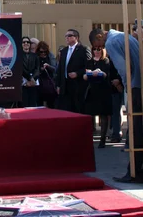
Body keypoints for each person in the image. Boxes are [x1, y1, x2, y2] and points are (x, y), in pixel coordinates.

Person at [90, 27, 142, 183]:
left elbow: (124, 67)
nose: (99, 48)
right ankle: (136, 169)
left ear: (100, 36)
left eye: (97, 44)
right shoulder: (123, 36)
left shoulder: (112, 42)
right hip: (139, 83)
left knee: (136, 130)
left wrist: (126, 85)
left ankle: (134, 171)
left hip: (135, 86)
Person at [83, 45, 112, 148]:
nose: (96, 51)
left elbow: (106, 74)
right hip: (92, 90)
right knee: (90, 114)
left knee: (103, 115)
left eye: (99, 49)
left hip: (103, 90)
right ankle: (89, 138)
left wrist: (100, 73)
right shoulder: (89, 61)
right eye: (94, 49)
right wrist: (88, 74)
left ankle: (102, 139)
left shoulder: (106, 61)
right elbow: (85, 75)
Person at [55, 29, 90, 113]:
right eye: (66, 36)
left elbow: (89, 66)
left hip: (78, 85)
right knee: (66, 109)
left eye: (70, 36)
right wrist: (58, 85)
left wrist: (77, 73)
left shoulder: (83, 49)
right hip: (65, 85)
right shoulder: (64, 51)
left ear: (76, 37)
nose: (67, 38)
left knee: (78, 108)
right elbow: (60, 69)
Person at [35, 41, 57, 108]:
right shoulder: (36, 57)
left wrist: (48, 66)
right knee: (39, 101)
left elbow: (54, 68)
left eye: (45, 52)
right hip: (39, 81)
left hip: (49, 81)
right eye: (41, 52)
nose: (43, 54)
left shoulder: (50, 56)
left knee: (51, 102)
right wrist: (40, 69)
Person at [21, 37, 40, 107]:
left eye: (28, 42)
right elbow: (20, 68)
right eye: (24, 42)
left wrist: (33, 79)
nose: (26, 43)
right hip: (23, 83)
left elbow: (37, 69)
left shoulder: (35, 56)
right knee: (24, 103)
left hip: (33, 83)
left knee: (33, 103)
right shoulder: (18, 55)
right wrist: (29, 78)